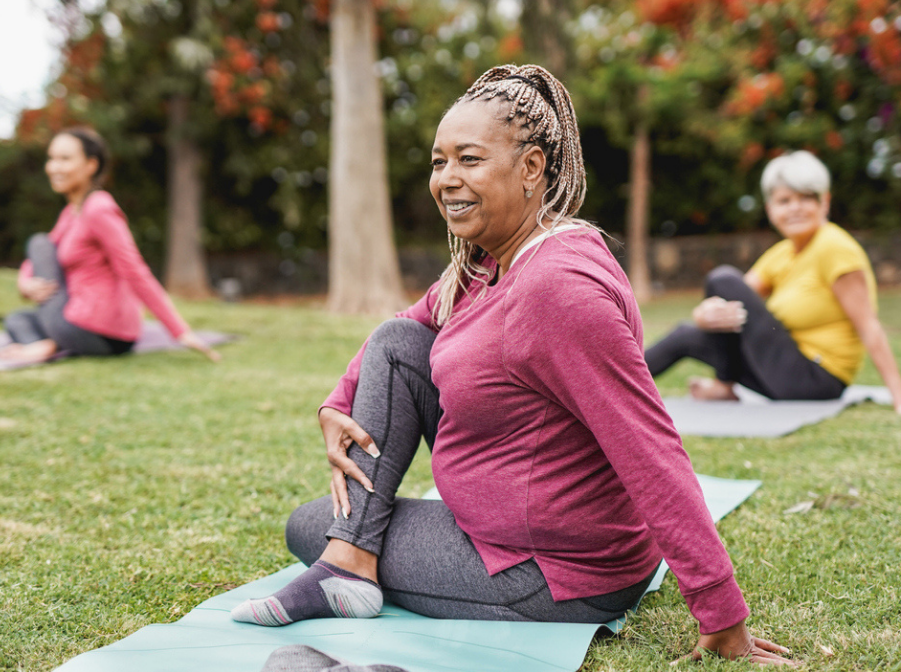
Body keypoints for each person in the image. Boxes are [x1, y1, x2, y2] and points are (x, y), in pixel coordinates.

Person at [231, 65, 795, 666]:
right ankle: (350, 560)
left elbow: (649, 446)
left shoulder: (557, 288)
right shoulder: (489, 261)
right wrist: (336, 402)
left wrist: (722, 612)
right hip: (511, 533)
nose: (447, 179)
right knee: (397, 344)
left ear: (531, 169)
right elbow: (407, 326)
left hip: (553, 572)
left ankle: (348, 560)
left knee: (307, 524)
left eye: (469, 159)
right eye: (438, 161)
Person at [644, 151, 901, 417]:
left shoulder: (834, 247)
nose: (795, 208)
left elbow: (868, 325)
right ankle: (607, 395)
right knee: (686, 333)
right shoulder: (783, 253)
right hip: (780, 370)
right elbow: (734, 299)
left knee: (721, 277)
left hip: (816, 377)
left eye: (806, 198)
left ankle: (724, 385)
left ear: (825, 201)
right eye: (785, 201)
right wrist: (703, 315)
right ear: (770, 208)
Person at [0, 127, 219, 364]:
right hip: (81, 324)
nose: (54, 167)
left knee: (38, 242)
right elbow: (40, 257)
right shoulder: (71, 213)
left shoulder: (98, 208)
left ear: (91, 165)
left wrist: (180, 331)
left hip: (97, 330)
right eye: (51, 159)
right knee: (16, 320)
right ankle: (48, 344)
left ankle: (49, 344)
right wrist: (25, 284)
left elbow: (135, 271)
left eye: (65, 159)